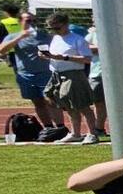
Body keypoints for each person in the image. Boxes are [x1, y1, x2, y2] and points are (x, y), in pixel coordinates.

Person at [0, 11, 60, 137]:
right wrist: (20, 36)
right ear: (20, 22)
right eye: (28, 21)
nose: (32, 24)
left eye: (34, 21)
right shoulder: (14, 36)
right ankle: (48, 127)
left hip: (45, 73)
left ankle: (60, 127)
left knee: (51, 100)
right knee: (37, 102)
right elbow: (1, 50)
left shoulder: (44, 35)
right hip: (26, 75)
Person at [39, 14, 97, 143]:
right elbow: (56, 56)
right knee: (67, 106)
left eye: (57, 28)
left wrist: (65, 57)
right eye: (51, 29)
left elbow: (87, 59)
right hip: (57, 74)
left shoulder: (78, 39)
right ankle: (75, 133)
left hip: (73, 75)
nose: (54, 31)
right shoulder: (55, 39)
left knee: (82, 106)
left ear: (65, 24)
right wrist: (46, 56)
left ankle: (92, 133)